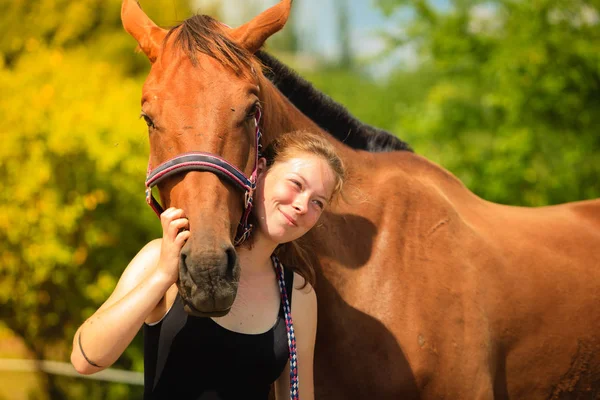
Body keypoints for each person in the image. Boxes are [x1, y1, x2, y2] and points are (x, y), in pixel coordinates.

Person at [70, 130, 346, 400]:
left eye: (317, 202)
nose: (301, 205)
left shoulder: (298, 294)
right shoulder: (161, 258)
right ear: (259, 170)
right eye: (296, 185)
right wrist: (163, 275)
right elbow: (86, 360)